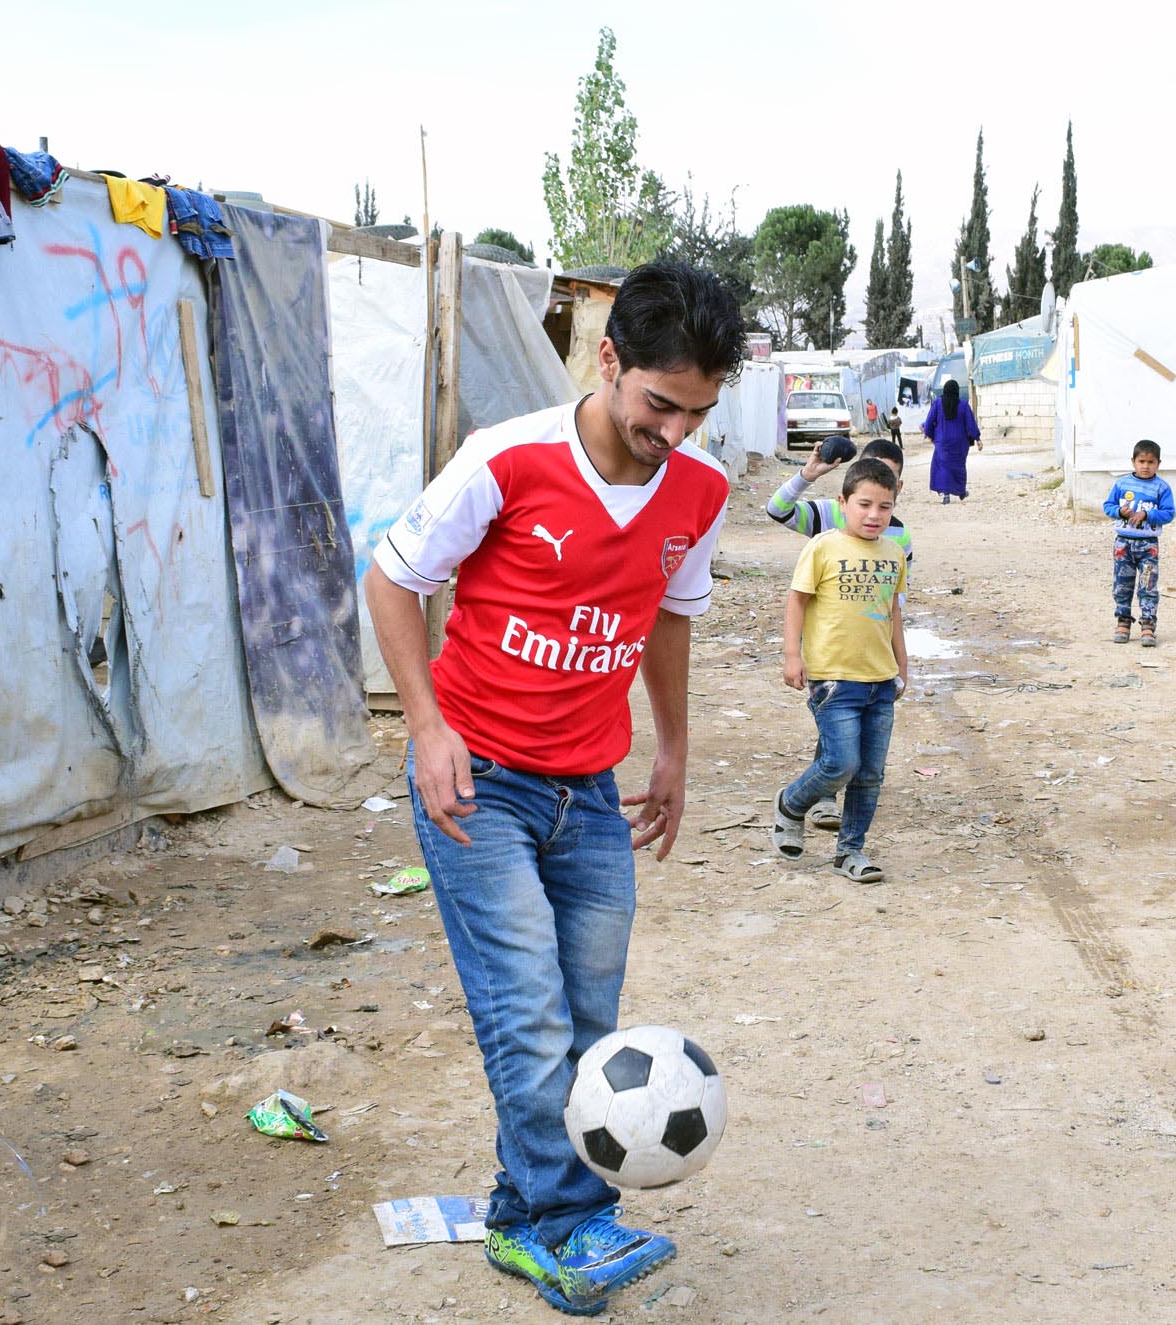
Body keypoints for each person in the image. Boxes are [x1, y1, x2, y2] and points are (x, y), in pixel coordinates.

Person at [363, 259, 746, 1316]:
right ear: (607, 359)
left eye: (699, 413)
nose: (676, 431)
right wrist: (426, 729)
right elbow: (391, 580)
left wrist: (672, 748)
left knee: (587, 1023)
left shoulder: (700, 491)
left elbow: (668, 617)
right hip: (476, 784)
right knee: (527, 1014)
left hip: (590, 790)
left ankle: (521, 1199)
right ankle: (561, 1220)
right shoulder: (507, 460)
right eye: (660, 404)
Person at [763, 438, 914, 834]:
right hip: (833, 672)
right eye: (864, 502)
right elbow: (777, 510)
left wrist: (902, 665)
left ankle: (850, 850)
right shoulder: (825, 528)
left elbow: (892, 607)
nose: (874, 513)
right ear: (844, 499)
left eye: (885, 502)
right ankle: (802, 801)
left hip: (878, 672)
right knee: (841, 759)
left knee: (868, 771)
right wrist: (807, 474)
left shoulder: (897, 544)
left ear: (898, 490)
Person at [1101, 439, 1175, 647]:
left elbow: (1168, 513)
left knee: (1147, 585)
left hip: (1148, 546)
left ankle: (1148, 624)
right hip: (1123, 544)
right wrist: (1119, 511)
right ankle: (1123, 621)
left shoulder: (1162, 487)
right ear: (1133, 462)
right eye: (1141, 461)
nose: (1146, 466)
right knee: (1122, 585)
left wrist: (1147, 514)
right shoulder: (1122, 484)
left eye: (1151, 462)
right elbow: (1107, 506)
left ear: (1158, 463)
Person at [921, 378, 980, 503]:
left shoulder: (938, 403)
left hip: (942, 441)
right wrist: (977, 438)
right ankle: (961, 491)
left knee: (943, 466)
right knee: (959, 466)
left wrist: (929, 434)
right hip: (960, 442)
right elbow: (971, 424)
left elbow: (930, 421)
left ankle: (946, 494)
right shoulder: (963, 405)